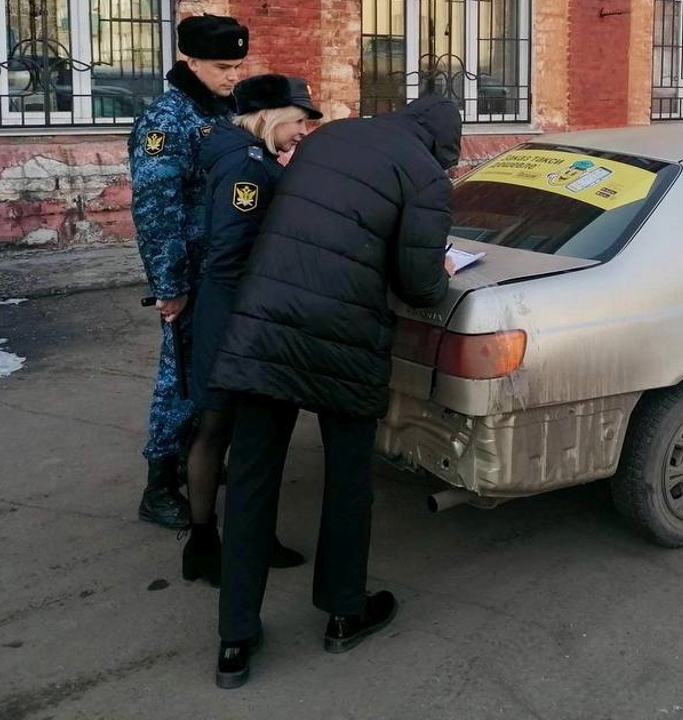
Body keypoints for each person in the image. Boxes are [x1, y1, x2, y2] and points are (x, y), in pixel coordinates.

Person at [207, 94, 462, 689]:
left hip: (266, 324)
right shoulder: (426, 176)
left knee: (250, 477)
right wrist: (439, 272)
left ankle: (234, 641)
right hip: (344, 339)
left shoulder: (327, 137)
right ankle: (345, 614)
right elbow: (421, 286)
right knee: (348, 481)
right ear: (443, 148)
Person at [181, 74, 323, 586]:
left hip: (228, 311)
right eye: (299, 119)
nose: (304, 129)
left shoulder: (243, 154)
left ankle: (216, 540)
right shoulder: (247, 163)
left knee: (220, 427)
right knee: (230, 428)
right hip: (237, 315)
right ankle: (218, 542)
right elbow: (231, 255)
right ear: (269, 114)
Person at [128, 14, 248, 529]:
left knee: (210, 373)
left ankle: (196, 459)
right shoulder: (166, 119)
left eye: (238, 66)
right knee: (177, 380)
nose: (232, 76)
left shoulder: (224, 111)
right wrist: (170, 286)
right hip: (189, 277)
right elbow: (156, 212)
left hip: (221, 271)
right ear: (190, 61)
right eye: (223, 67)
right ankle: (159, 486)